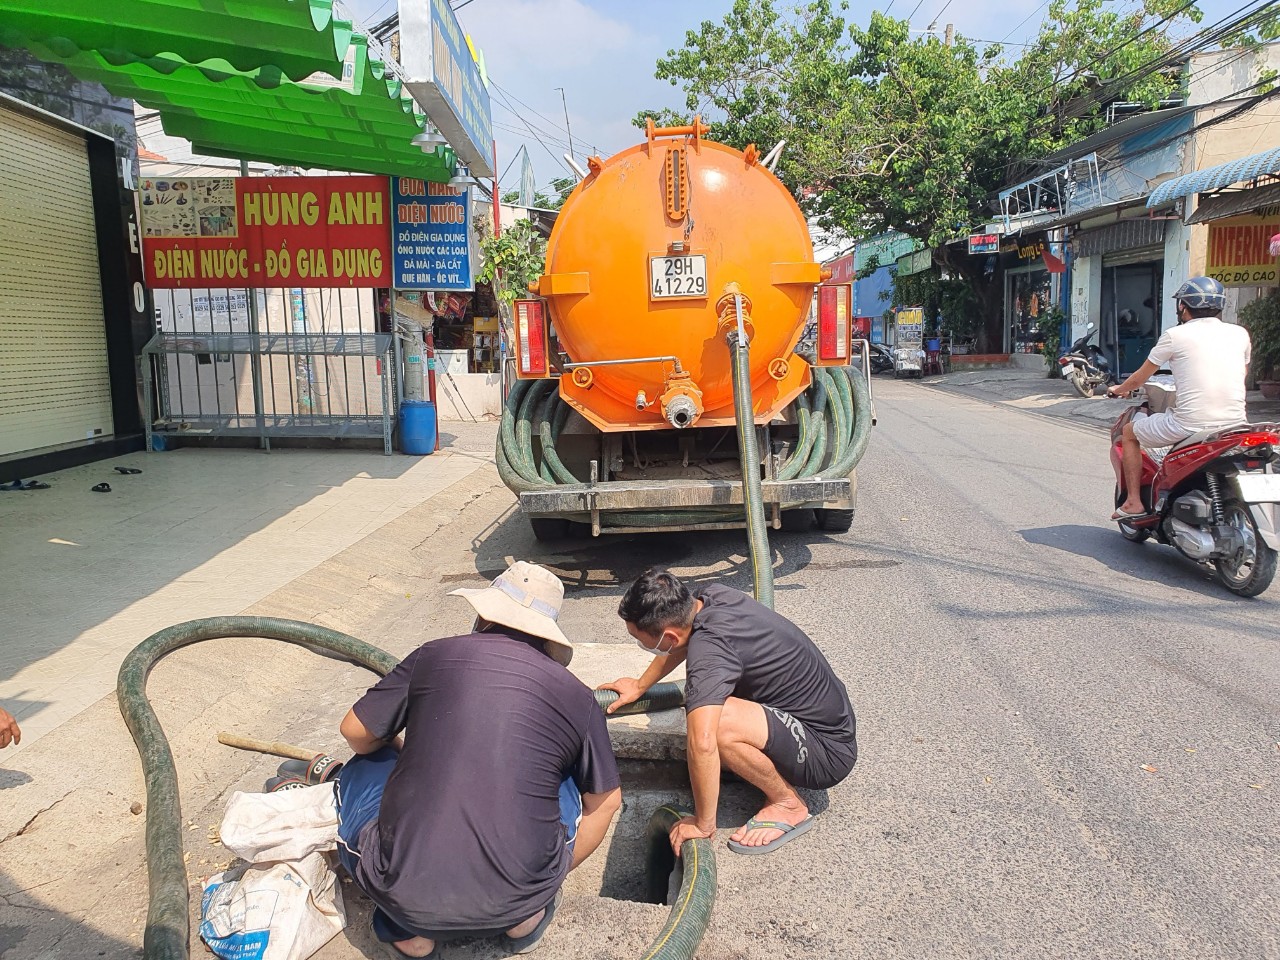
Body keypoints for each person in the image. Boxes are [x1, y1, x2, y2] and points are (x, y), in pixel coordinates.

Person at [335, 561, 622, 958]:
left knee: (362, 767)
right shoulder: (578, 696)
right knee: (572, 778)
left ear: (484, 614)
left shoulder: (433, 654)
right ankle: (525, 917)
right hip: (519, 900)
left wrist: (401, 754)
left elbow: (355, 732)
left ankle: (409, 934)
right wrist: (543, 879)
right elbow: (607, 802)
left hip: (407, 896)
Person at [600, 569, 857, 857]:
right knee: (711, 711)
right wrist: (640, 685)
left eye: (639, 638)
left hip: (826, 751)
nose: (639, 643)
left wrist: (702, 823)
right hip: (825, 718)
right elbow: (678, 643)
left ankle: (788, 804)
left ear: (668, 637)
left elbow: (703, 743)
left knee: (716, 725)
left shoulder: (710, 654)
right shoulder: (708, 597)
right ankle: (758, 763)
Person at [1108, 276, 1251, 520]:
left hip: (1189, 424)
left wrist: (1119, 388)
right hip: (1235, 425)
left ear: (1183, 306)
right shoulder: (1239, 333)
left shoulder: (1175, 335)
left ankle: (1133, 502)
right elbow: (1241, 373)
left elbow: (1138, 379)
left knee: (1130, 433)